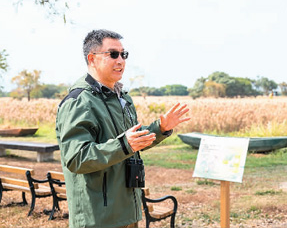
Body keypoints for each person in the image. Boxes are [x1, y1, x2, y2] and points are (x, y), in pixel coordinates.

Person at [56, 29, 190, 228]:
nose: (120, 60)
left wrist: (160, 128)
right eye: (113, 54)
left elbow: (132, 141)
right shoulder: (79, 102)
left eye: (123, 54)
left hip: (128, 211)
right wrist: (124, 144)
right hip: (99, 218)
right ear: (92, 58)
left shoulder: (122, 97)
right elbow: (76, 159)